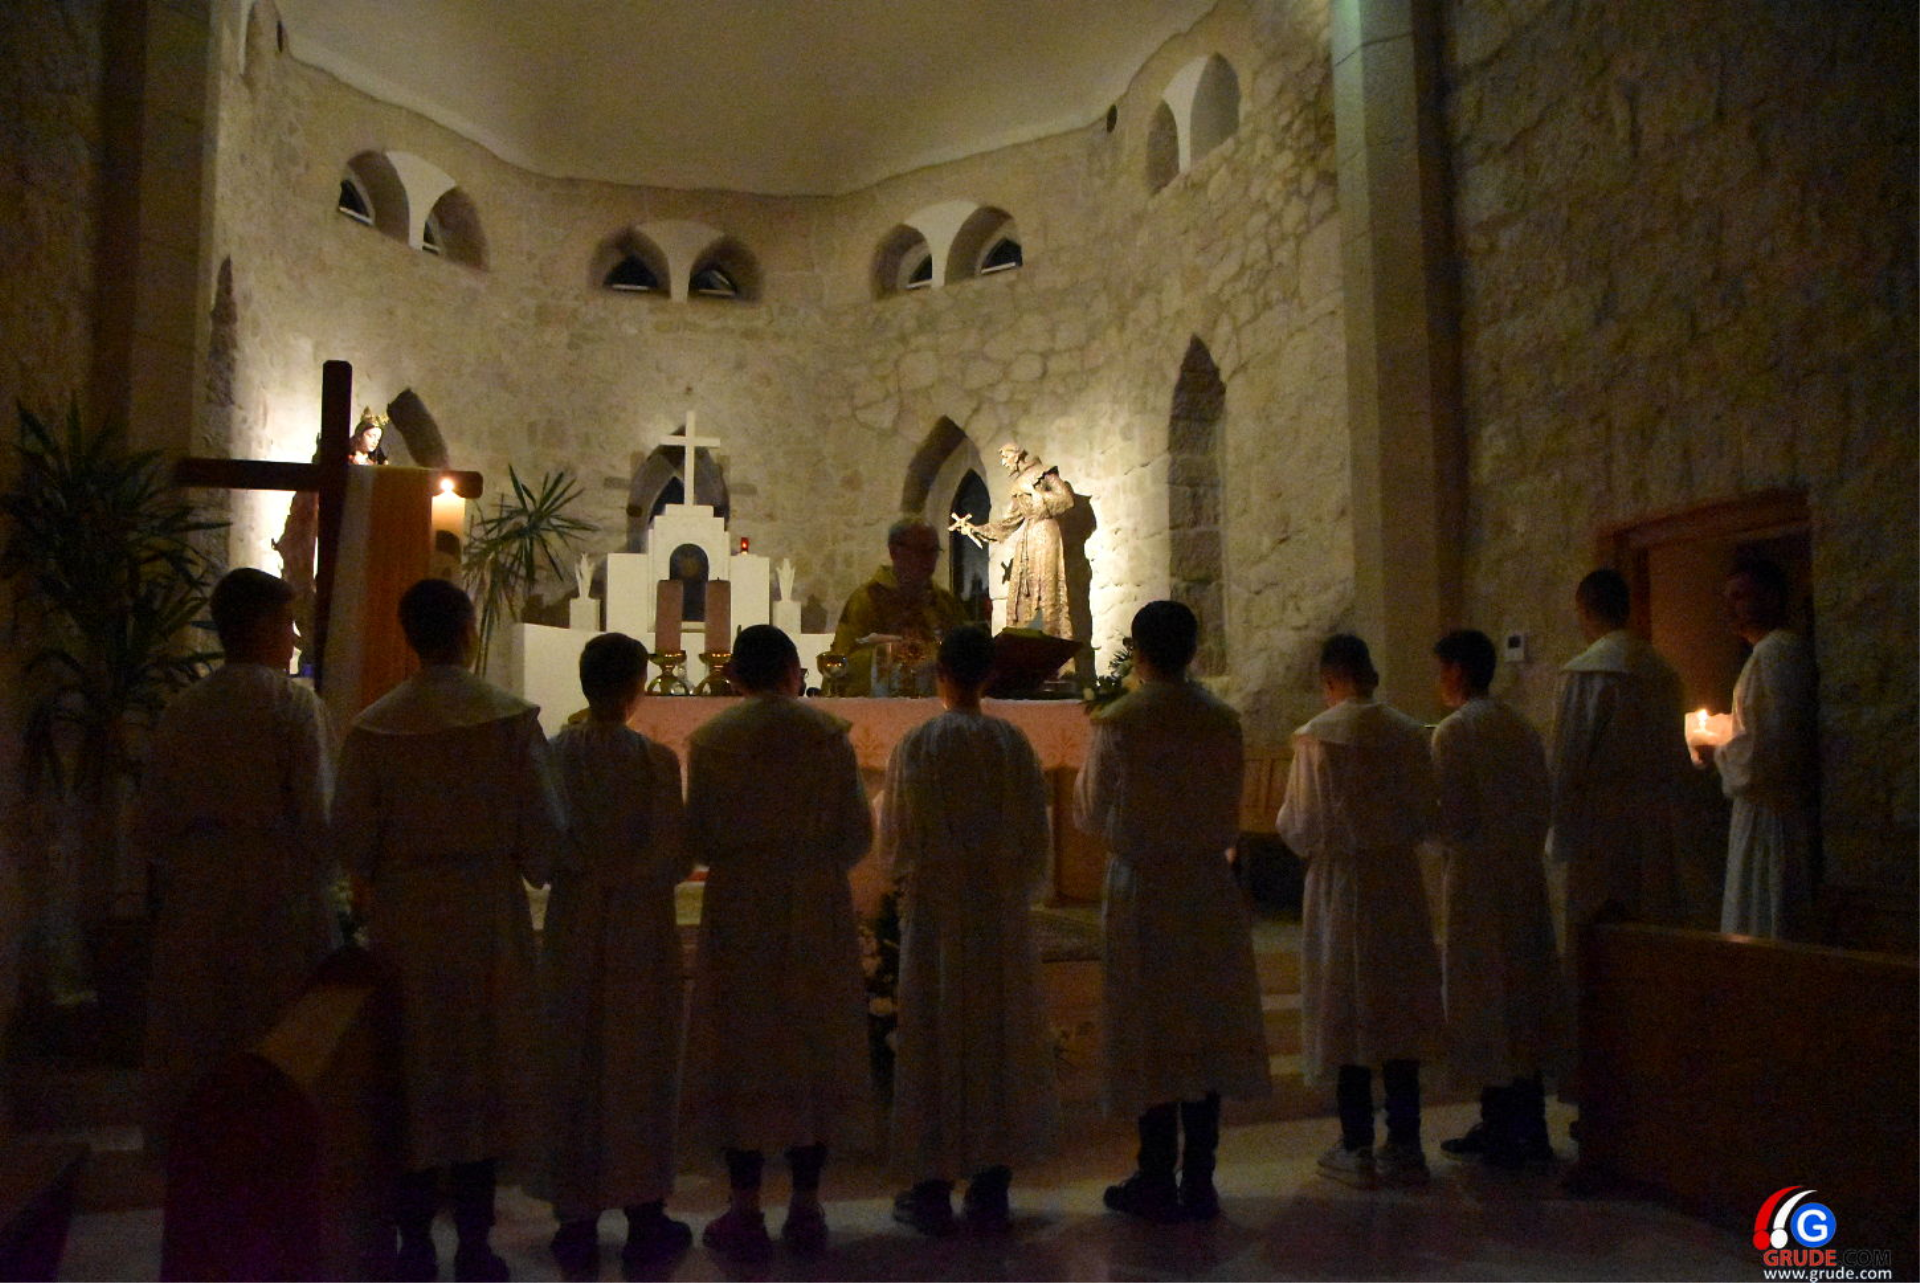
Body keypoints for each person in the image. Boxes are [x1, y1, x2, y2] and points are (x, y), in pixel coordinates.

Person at [332, 578, 560, 1283]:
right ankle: (475, 1244)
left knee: (414, 1078)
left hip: (407, 921)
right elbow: (546, 841)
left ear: (409, 636)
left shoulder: (375, 727)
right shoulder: (509, 720)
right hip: (486, 916)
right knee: (482, 1076)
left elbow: (351, 842)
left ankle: (414, 1244)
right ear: (467, 631)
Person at [680, 624, 874, 1260]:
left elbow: (698, 837)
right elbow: (856, 831)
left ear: (734, 675)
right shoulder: (827, 735)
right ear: (794, 670)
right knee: (810, 1041)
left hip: (741, 904)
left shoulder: (713, 739)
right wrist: (813, 863)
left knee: (742, 1045)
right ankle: (807, 1204)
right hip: (813, 901)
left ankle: (744, 1207)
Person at [1075, 601, 1269, 1222]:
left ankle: (1156, 1173)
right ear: (1193, 650)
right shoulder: (1221, 720)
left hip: (1146, 886)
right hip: (1208, 885)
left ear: (1138, 651)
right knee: (1204, 1025)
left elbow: (1089, 811)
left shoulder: (1121, 721)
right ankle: (1201, 1177)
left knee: (1151, 1026)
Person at [137, 568, 336, 1146]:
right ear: (260, 626)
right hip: (276, 895)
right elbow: (319, 817)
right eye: (287, 623)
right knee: (275, 1044)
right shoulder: (292, 706)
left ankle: (198, 1165)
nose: (294, 638)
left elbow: (152, 823)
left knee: (199, 1043)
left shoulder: (183, 709)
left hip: (198, 898)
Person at [882, 625, 1060, 1235]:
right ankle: (991, 1187)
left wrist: (913, 881)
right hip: (997, 914)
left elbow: (896, 840)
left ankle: (930, 1187)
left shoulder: (918, 743)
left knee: (934, 1034)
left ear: (940, 674)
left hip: (937, 914)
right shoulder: (1012, 743)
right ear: (990, 677)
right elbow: (1036, 838)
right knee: (998, 1034)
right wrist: (1012, 888)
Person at [543, 633, 694, 1274]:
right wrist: (633, 876)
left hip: (575, 919)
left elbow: (540, 846)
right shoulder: (653, 760)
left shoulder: (553, 755)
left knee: (573, 1057)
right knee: (639, 1060)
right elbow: (674, 854)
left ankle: (575, 1217)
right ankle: (644, 1212)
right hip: (638, 923)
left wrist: (582, 871)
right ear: (638, 687)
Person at [1277, 634, 1442, 1189]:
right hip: (1396, 882)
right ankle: (1406, 1144)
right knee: (1397, 1009)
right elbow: (1428, 813)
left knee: (1345, 1006)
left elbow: (1300, 826)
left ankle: (1355, 1144)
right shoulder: (1408, 732)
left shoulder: (1317, 736)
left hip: (1340, 884)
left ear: (1330, 681)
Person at [1428, 630, 1565, 1168]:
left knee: (1486, 997)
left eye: (1441, 670)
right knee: (1523, 998)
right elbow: (1542, 800)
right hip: (1523, 878)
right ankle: (1527, 1120)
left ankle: (1501, 1123)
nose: (1439, 681)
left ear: (1458, 672)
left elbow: (1453, 815)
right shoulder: (1519, 726)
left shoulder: (1456, 731)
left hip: (1478, 882)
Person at [1549, 569, 1690, 956]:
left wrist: (1559, 831)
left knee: (1599, 934)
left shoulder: (1586, 674)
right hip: (1654, 820)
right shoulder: (1661, 673)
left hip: (1601, 823)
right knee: (1650, 920)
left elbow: (1569, 758)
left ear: (1584, 610)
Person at [1713, 557, 1817, 938]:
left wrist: (1718, 749)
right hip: (1761, 812)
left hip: (1769, 816)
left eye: (1740, 596)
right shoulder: (1768, 654)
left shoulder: (1776, 653)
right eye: (1727, 599)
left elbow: (1765, 752)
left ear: (1771, 598)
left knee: (1764, 918)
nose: (1730, 609)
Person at [830, 518, 969, 695]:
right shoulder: (867, 599)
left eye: (933, 551)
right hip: (882, 704)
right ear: (894, 552)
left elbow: (964, 654)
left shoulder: (945, 602)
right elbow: (843, 661)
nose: (928, 559)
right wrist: (887, 653)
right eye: (921, 550)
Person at [951, 443, 1076, 639]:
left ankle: (1052, 638)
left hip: (1045, 532)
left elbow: (1066, 499)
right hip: (1029, 538)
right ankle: (1029, 642)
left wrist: (1035, 493)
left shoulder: (1043, 473)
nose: (1003, 462)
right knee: (1025, 594)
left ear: (1016, 456)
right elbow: (1008, 523)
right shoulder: (1019, 484)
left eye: (1005, 457)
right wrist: (975, 529)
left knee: (1047, 590)